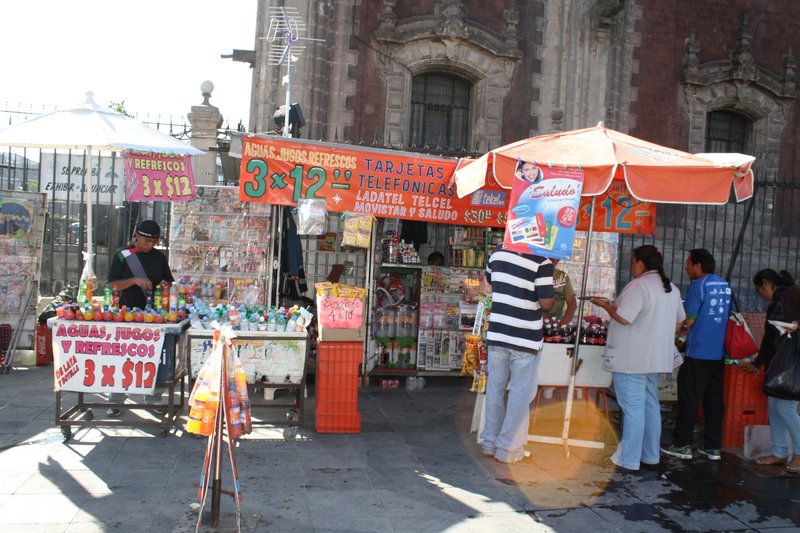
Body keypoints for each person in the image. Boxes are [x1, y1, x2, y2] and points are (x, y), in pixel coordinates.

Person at [592, 245, 685, 471]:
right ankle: (650, 455)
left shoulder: (638, 286)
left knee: (634, 408)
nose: (632, 266)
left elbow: (624, 318)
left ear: (640, 263)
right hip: (655, 359)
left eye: (633, 262)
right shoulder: (671, 288)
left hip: (632, 359)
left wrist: (606, 306)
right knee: (650, 405)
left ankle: (628, 459)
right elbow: (679, 322)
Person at [479, 245, 554, 464]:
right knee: (519, 395)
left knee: (495, 389)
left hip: (499, 331)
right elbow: (546, 303)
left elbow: (490, 285)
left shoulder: (497, 253)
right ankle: (508, 449)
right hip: (525, 337)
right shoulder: (542, 261)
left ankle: (489, 442)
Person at [662, 249, 731, 462]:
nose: (686, 267)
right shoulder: (725, 286)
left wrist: (677, 339)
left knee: (689, 399)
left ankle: (682, 444)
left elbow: (688, 320)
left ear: (698, 266)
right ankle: (713, 447)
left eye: (688, 263)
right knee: (713, 401)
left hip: (698, 351)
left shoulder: (698, 286)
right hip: (718, 353)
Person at [106, 220, 174, 417]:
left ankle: (153, 399)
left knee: (155, 358)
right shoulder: (123, 255)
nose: (149, 245)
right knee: (123, 357)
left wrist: (164, 285)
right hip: (126, 315)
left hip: (155, 316)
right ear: (136, 236)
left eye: (153, 242)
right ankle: (116, 400)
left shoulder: (159, 257)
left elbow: (168, 281)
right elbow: (112, 285)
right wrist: (134, 280)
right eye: (146, 241)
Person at [749, 269, 800, 473]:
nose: (759, 294)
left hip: (794, 362)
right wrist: (759, 362)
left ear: (767, 283)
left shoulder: (793, 293)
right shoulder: (776, 304)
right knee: (774, 407)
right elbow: (769, 338)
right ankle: (779, 453)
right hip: (780, 363)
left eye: (758, 289)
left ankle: (799, 453)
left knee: (786, 409)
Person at [541, 258, 577, 399]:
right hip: (536, 321)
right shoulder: (535, 272)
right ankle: (541, 382)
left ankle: (551, 383)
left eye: (555, 257)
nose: (552, 259)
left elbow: (572, 304)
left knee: (554, 353)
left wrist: (562, 325)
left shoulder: (562, 276)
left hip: (556, 325)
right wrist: (543, 317)